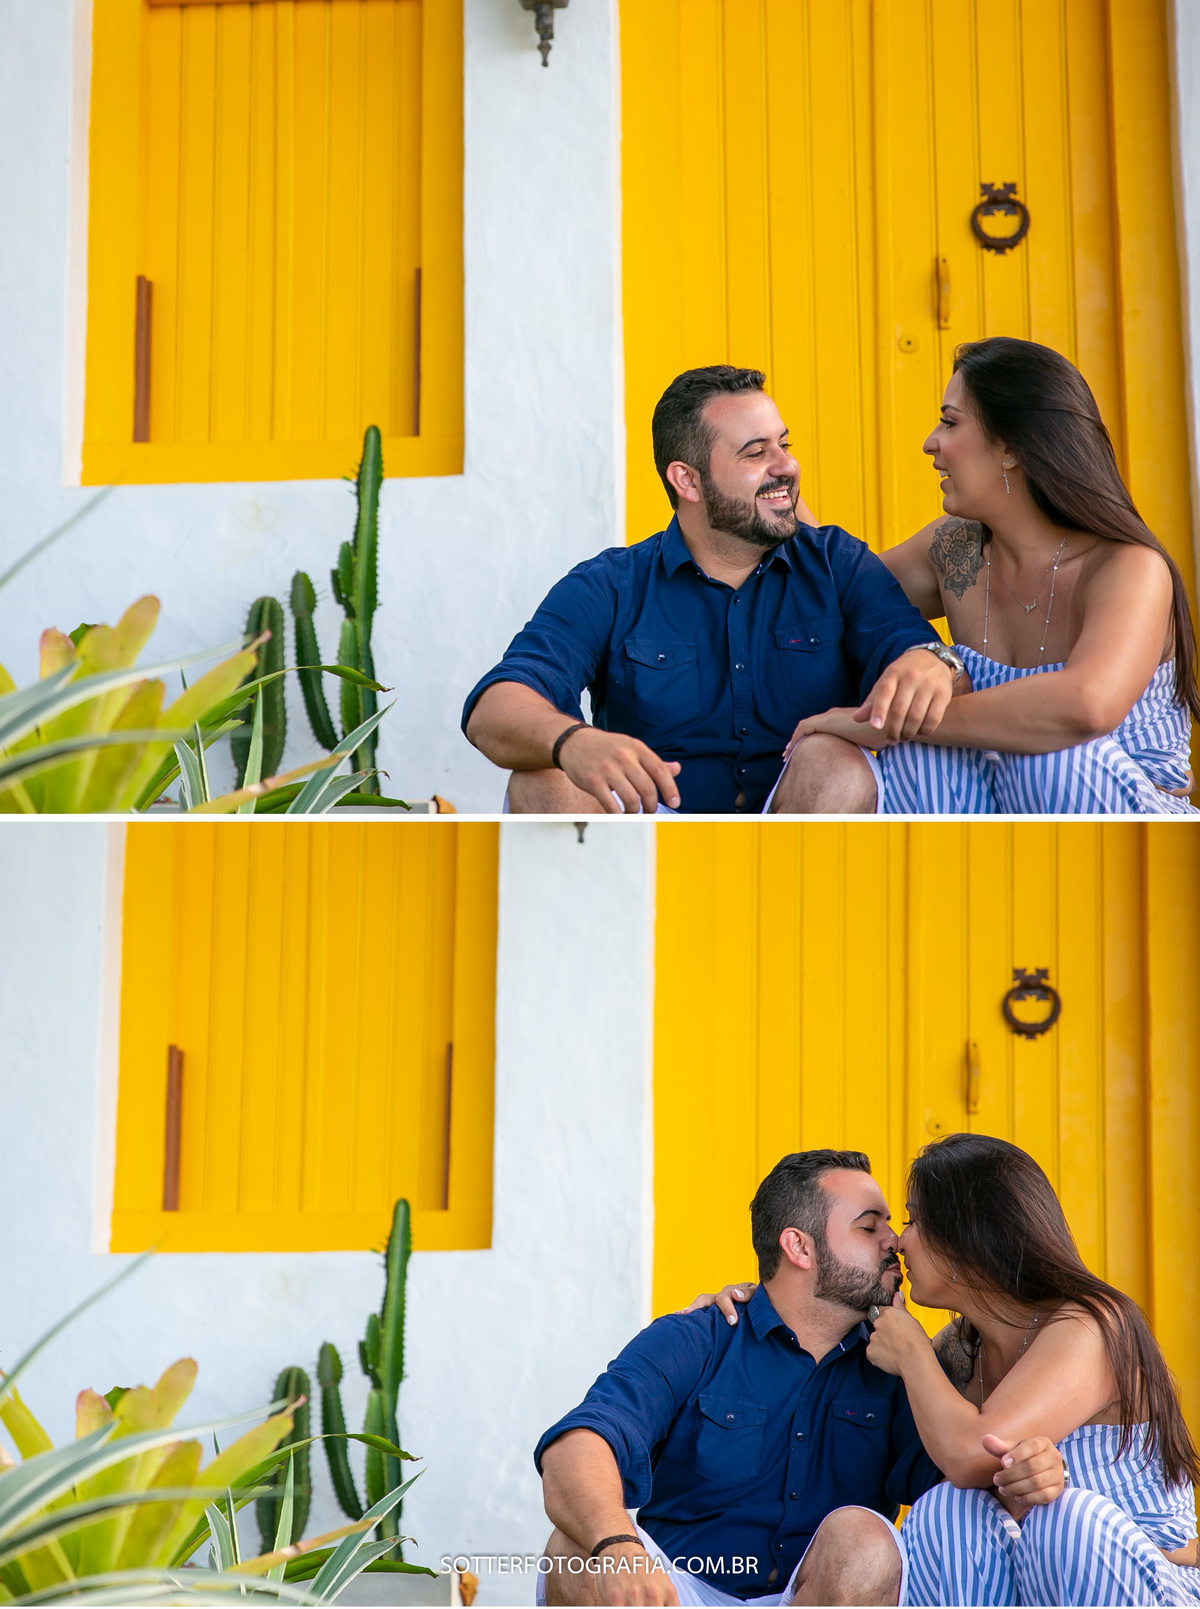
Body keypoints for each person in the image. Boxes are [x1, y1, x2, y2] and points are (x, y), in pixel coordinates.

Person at [533, 1150, 1064, 1607]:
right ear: (799, 1247)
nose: (895, 1240)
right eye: (869, 1225)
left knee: (865, 1539)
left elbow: (962, 1493)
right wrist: (617, 1545)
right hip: (681, 1591)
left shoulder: (899, 1365)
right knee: (574, 1551)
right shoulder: (697, 1338)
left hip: (814, 1594)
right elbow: (579, 1445)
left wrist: (1027, 1470)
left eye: (892, 1224)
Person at [700, 1135, 1200, 1607]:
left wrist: (913, 1351)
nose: (898, 1241)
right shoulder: (962, 1351)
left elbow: (973, 1453)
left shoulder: (1090, 1326)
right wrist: (752, 1306)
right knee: (947, 1514)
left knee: (1065, 1519)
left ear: (967, 1235)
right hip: (1028, 1585)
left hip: (1145, 1572)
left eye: (913, 1221)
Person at [462, 367, 961, 814]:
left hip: (796, 831)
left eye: (784, 445)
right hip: (644, 832)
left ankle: (790, 916)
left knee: (834, 760)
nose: (786, 466)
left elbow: (925, 659)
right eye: (756, 452)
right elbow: (494, 708)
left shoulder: (837, 563)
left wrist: (931, 661)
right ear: (688, 481)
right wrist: (572, 741)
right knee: (544, 778)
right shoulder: (610, 583)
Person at [786, 338, 1199, 813]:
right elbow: (838, 593)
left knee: (1046, 753)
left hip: (1129, 849)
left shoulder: (1127, 567)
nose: (930, 442)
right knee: (921, 753)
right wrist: (776, 483)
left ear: (1010, 448)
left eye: (950, 421)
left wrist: (883, 720)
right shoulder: (953, 549)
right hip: (991, 826)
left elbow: (1087, 705)